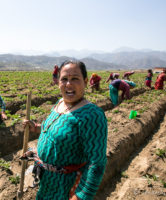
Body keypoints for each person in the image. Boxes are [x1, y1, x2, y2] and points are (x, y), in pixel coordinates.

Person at [22, 60, 108, 200]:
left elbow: (96, 163)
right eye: (64, 79)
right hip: (47, 181)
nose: (69, 84)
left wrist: (80, 196)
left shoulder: (92, 115)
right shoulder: (60, 102)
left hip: (65, 186)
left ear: (85, 81)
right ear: (58, 82)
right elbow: (54, 129)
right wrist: (37, 127)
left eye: (75, 78)